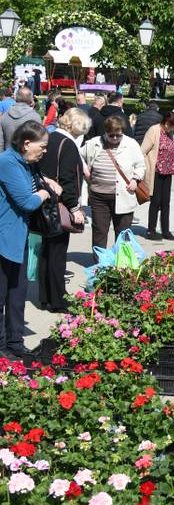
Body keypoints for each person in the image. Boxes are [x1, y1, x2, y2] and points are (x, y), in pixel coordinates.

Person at [0, 121, 59, 357]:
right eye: (42, 146)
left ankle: (15, 343)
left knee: (18, 294)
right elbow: (27, 201)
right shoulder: (7, 162)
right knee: (2, 296)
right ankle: (2, 348)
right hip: (4, 240)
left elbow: (30, 184)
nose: (45, 151)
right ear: (26, 143)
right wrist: (45, 193)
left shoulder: (26, 163)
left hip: (19, 237)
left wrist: (46, 181)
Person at [38, 108, 90, 312]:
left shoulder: (50, 138)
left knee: (46, 250)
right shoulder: (68, 145)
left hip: (45, 202)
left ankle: (45, 297)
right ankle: (58, 299)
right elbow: (69, 180)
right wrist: (75, 208)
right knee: (58, 252)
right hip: (59, 204)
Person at [81, 115, 146, 253]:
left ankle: (121, 263)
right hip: (99, 196)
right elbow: (78, 155)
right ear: (105, 133)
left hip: (123, 195)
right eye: (112, 136)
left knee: (123, 233)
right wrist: (85, 170)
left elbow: (141, 165)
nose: (115, 138)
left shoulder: (131, 144)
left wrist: (135, 179)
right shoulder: (94, 143)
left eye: (118, 135)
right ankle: (100, 263)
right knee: (100, 231)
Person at [141, 112, 174, 240]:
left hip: (167, 171)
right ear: (167, 123)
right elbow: (143, 151)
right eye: (173, 126)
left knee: (166, 202)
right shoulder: (154, 130)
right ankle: (151, 230)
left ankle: (165, 230)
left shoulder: (169, 133)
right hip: (156, 171)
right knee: (156, 202)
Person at [0, 88, 42, 152]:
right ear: (31, 99)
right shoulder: (35, 117)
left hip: (7, 157)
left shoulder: (4, 116)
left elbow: (1, 142)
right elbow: (38, 141)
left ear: (16, 98)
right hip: (28, 157)